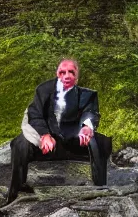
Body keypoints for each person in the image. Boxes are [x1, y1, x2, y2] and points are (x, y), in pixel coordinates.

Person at [7, 59, 112, 204]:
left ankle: (100, 188)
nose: (67, 76)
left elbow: (91, 113)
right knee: (20, 143)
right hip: (47, 140)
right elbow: (35, 114)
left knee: (100, 142)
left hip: (72, 140)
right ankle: (17, 191)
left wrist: (87, 127)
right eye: (62, 72)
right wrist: (44, 135)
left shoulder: (88, 95)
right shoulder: (43, 90)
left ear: (77, 77)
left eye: (71, 72)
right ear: (57, 73)